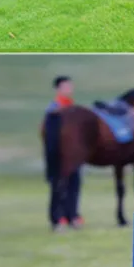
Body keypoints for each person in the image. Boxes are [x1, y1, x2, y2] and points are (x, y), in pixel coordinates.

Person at [45, 75, 83, 230]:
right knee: (58, 184)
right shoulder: (53, 108)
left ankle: (72, 216)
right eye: (65, 86)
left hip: (74, 155)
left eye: (70, 86)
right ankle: (57, 218)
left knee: (75, 183)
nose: (69, 89)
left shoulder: (73, 107)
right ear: (58, 89)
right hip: (58, 154)